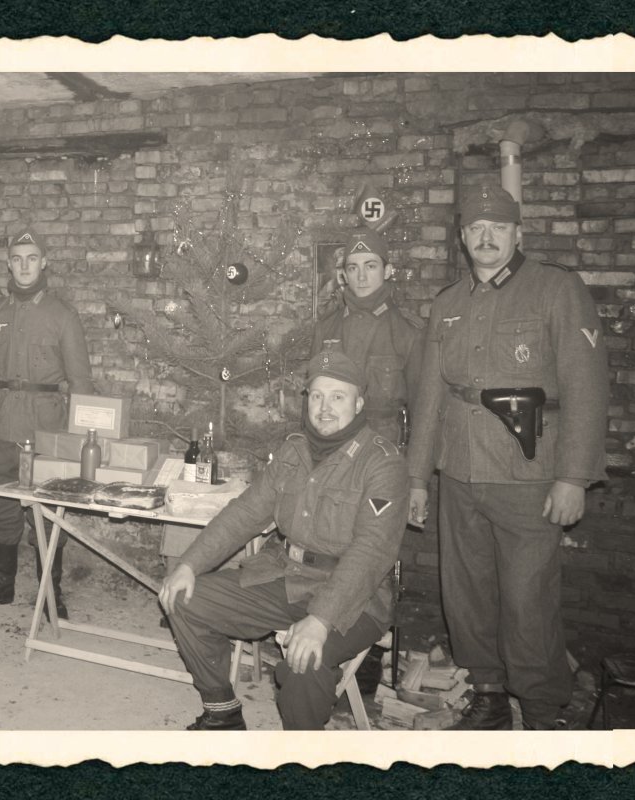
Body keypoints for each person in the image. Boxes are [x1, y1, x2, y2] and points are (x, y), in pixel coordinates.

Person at [407, 184, 609, 730]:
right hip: (459, 472)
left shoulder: (555, 288)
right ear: (463, 236)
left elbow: (586, 387)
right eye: (476, 228)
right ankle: (489, 696)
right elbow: (429, 397)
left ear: (518, 233)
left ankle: (541, 711)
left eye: (498, 228)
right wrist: (418, 477)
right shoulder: (449, 304)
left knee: (528, 599)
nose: (486, 238)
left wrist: (573, 477)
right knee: (466, 595)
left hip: (528, 473)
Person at [159, 350, 408, 730]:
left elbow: (371, 552)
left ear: (359, 403)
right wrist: (189, 564)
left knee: (304, 663)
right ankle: (222, 711)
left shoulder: (382, 463)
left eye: (338, 397)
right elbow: (245, 513)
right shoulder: (294, 450)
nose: (325, 407)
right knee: (183, 599)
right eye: (317, 396)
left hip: (355, 597)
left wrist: (320, 619)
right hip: (286, 577)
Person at [0, 225, 94, 619]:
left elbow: (81, 382)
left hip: (46, 431)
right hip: (0, 427)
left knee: (48, 513)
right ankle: (0, 584)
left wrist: (80, 439)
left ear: (44, 262)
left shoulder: (62, 315)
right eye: (17, 259)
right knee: (1, 507)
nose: (24, 266)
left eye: (32, 259)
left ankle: (50, 592)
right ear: (8, 264)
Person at [314, 228, 423, 447]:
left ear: (387, 271)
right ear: (344, 275)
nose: (361, 277)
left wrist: (414, 467)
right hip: (332, 447)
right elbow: (311, 403)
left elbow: (422, 411)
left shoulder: (408, 333)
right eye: (353, 268)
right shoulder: (326, 329)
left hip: (382, 449)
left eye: (370, 266)